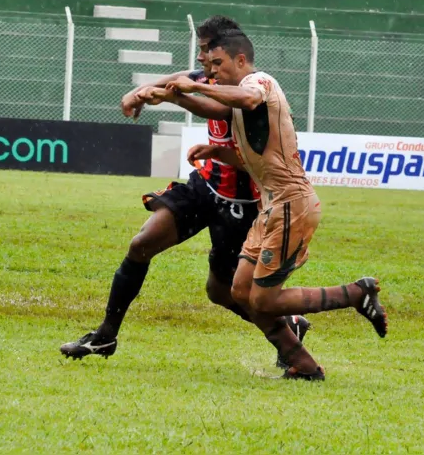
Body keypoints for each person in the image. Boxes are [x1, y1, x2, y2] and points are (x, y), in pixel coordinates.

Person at [60, 17, 311, 369]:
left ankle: (290, 329)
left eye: (208, 50)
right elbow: (185, 76)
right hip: (205, 186)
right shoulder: (209, 75)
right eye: (202, 52)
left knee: (222, 292)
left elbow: (217, 107)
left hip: (243, 204)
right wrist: (142, 90)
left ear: (231, 54)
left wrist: (174, 97)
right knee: (140, 245)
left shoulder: (249, 89)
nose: (203, 58)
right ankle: (105, 336)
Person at [159, 29, 388, 381]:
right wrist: (215, 148)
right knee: (239, 291)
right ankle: (304, 366)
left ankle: (357, 294)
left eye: (218, 63)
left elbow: (247, 99)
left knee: (263, 301)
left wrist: (195, 86)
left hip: (291, 205)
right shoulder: (236, 101)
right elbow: (252, 147)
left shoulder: (259, 81)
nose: (212, 70)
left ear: (240, 60)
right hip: (272, 208)